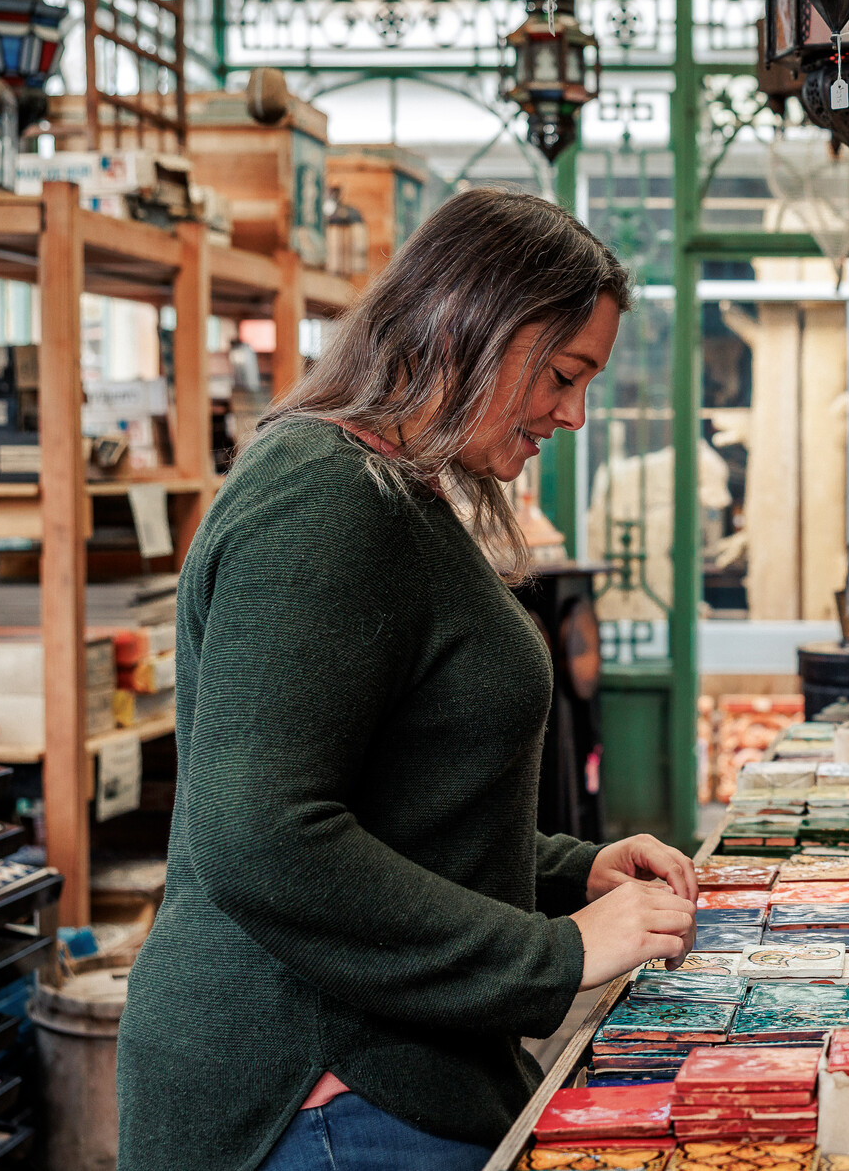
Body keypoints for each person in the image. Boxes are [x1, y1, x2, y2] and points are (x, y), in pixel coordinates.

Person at [119, 188, 700, 1171]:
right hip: (313, 1093)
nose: (574, 411)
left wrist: (565, 871)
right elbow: (262, 834)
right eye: (563, 373)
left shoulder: (394, 491)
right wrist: (554, 954)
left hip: (373, 1076)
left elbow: (392, 792)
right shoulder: (325, 499)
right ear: (470, 326)